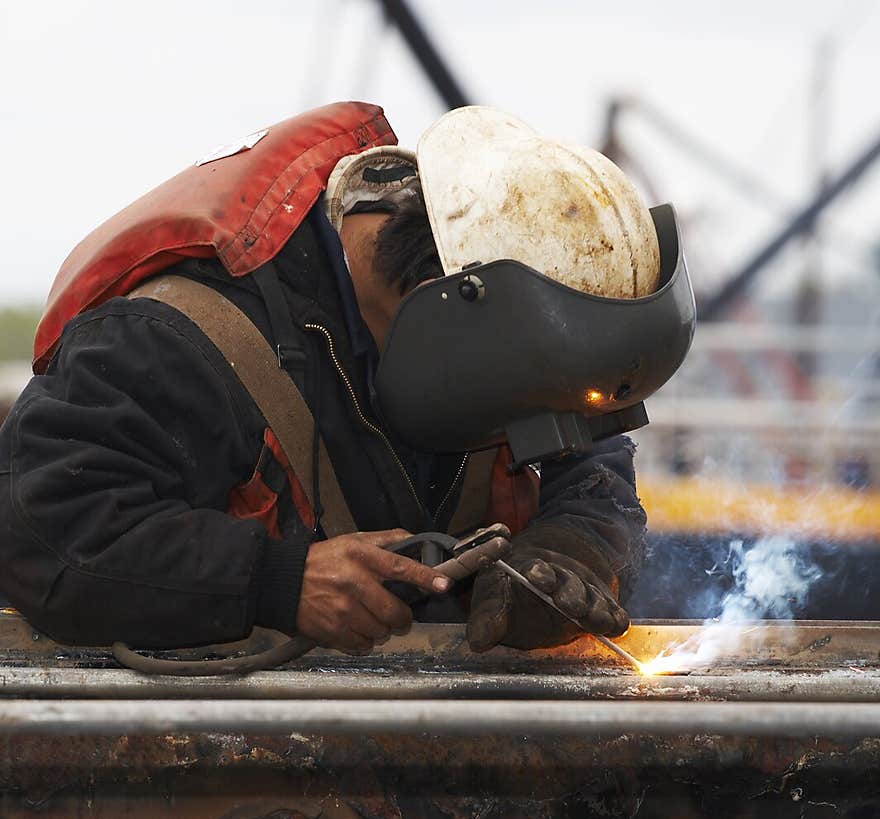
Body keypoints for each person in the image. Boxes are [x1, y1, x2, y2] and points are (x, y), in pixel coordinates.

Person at [0, 102, 693, 658]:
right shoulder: (175, 343)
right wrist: (276, 580)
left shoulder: (507, 330)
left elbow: (592, 463)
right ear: (439, 309)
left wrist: (574, 550)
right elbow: (39, 531)